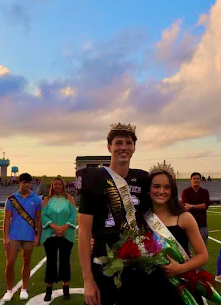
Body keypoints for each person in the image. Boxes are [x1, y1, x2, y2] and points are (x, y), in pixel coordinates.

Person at [77, 123, 149, 305]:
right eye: (118, 143)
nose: (123, 147)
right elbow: (84, 234)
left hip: (136, 262)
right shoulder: (94, 179)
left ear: (134, 148)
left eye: (128, 143)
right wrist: (87, 279)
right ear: (109, 147)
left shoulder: (143, 179)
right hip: (102, 261)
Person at [139, 163, 209, 305]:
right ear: (149, 189)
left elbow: (203, 256)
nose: (161, 191)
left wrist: (181, 268)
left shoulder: (184, 217)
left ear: (172, 190)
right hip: (148, 286)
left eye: (167, 187)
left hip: (178, 287)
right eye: (156, 186)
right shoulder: (140, 217)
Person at [2, 173, 42, 302]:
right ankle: (9, 290)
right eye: (25, 182)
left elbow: (38, 218)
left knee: (27, 262)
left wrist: (38, 235)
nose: (27, 185)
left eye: (29, 182)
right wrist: (5, 237)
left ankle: (24, 288)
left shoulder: (36, 199)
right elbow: (7, 219)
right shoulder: (11, 199)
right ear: (19, 183)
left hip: (29, 236)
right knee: (10, 263)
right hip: (14, 235)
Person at [41, 177, 77, 301]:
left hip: (66, 235)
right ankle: (48, 290)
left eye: (60, 184)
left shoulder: (69, 199)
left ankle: (65, 289)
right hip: (50, 235)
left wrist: (64, 228)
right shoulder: (47, 199)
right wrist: (55, 227)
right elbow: (43, 215)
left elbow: (73, 215)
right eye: (55, 184)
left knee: (64, 261)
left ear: (63, 185)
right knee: (51, 261)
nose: (57, 186)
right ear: (52, 186)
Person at [181, 172, 210, 246]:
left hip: (202, 224)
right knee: (187, 250)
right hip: (189, 225)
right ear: (190, 180)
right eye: (194, 178)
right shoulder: (186, 192)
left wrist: (192, 206)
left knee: (203, 248)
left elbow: (205, 205)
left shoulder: (205, 192)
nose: (196, 180)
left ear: (200, 180)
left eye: (198, 179)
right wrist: (199, 206)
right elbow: (185, 207)